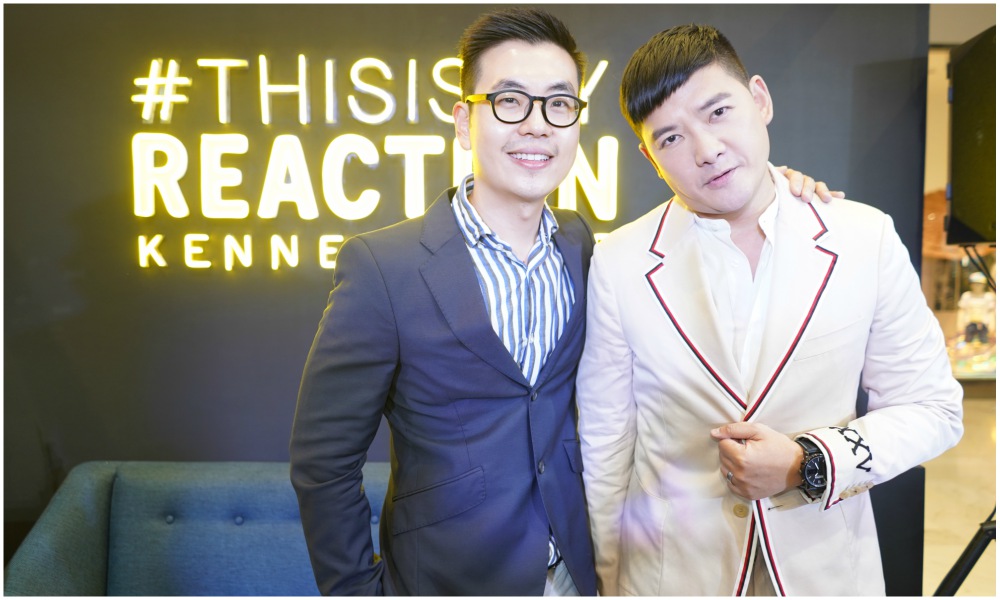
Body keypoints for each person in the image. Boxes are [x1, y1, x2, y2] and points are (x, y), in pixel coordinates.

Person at [290, 10, 836, 596]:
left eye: (557, 104)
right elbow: (324, 461)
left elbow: (700, 217)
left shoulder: (586, 248)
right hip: (447, 580)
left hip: (580, 574)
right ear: (464, 122)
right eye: (509, 102)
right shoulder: (384, 267)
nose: (536, 125)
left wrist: (776, 190)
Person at [576, 24, 964, 596]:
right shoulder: (620, 262)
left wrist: (811, 462)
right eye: (671, 138)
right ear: (650, 157)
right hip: (673, 576)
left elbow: (933, 409)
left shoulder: (864, 236)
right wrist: (609, 581)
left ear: (759, 99)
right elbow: (607, 445)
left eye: (718, 112)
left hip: (825, 570)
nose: (706, 150)